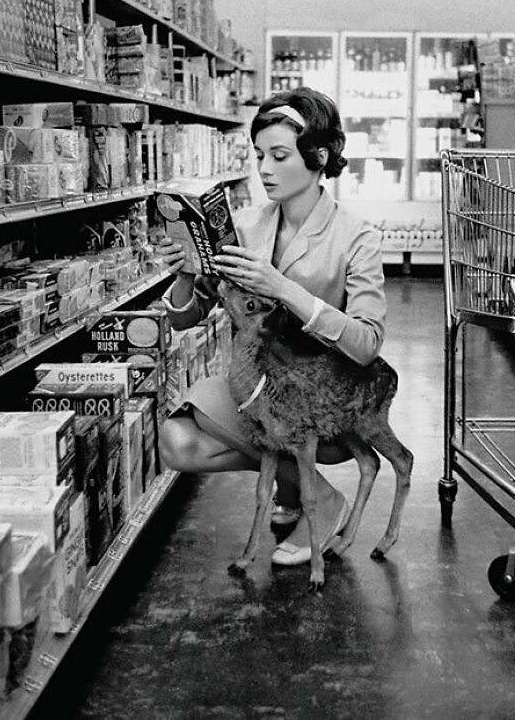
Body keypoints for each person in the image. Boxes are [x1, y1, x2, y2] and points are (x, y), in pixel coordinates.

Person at [157, 87, 387, 565]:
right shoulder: (243, 226)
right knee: (177, 442)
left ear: (318, 156)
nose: (264, 168)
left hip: (322, 397)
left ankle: (314, 498)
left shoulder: (357, 237)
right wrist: (185, 270)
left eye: (279, 155)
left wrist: (284, 288)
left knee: (204, 416)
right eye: (259, 154)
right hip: (259, 385)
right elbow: (184, 318)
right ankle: (306, 489)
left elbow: (367, 345)